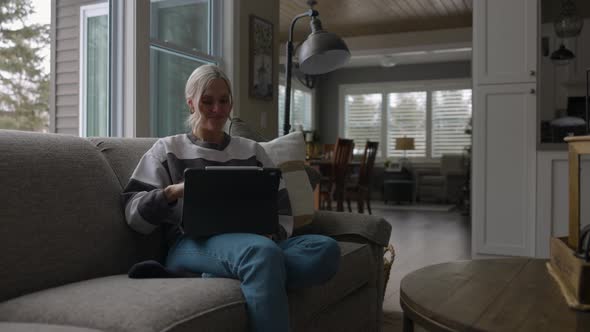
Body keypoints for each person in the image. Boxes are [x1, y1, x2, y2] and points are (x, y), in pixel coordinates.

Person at [122, 64, 340, 332]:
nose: (217, 109)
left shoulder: (252, 151)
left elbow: (282, 211)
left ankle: (222, 273)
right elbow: (133, 215)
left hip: (254, 244)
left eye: (224, 100)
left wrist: (271, 236)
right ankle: (250, 266)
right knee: (260, 254)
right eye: (207, 101)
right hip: (190, 244)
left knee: (325, 250)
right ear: (191, 103)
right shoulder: (167, 149)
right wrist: (173, 191)